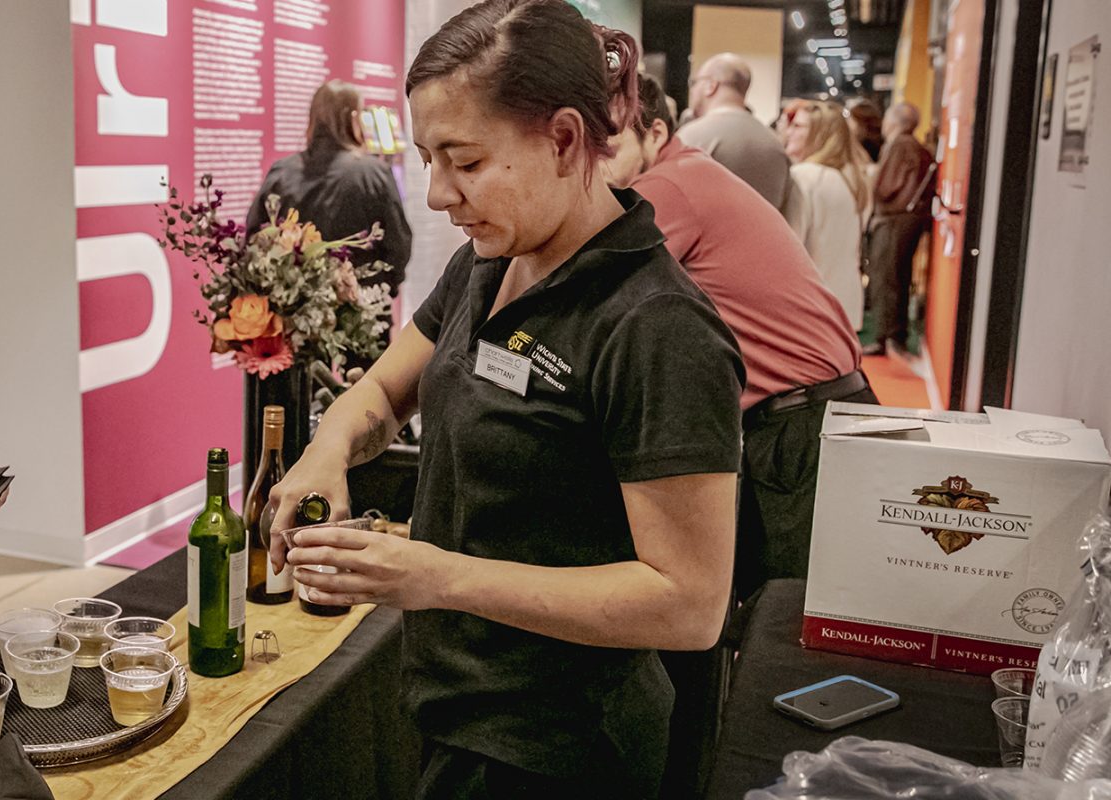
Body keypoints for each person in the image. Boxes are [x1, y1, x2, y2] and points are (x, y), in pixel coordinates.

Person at [271, 3, 744, 796]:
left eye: (463, 160)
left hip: (559, 750)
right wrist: (326, 454)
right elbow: (385, 389)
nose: (435, 195)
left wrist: (436, 576)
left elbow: (687, 603)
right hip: (456, 706)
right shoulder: (488, 265)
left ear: (563, 139)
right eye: (427, 158)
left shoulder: (657, 328)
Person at [605, 72, 869, 794]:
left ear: (654, 134)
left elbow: (586, 277)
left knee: (776, 634)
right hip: (803, 414)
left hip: (797, 423)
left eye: (606, 144)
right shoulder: (690, 174)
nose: (592, 165)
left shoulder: (669, 191)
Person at [246, 79, 412, 366]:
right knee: (363, 398)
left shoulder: (281, 173)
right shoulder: (373, 173)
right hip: (363, 311)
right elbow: (398, 245)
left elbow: (253, 240)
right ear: (353, 118)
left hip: (296, 319)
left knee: (299, 399)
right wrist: (382, 289)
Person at [783, 100, 869, 333]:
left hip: (810, 309)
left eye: (798, 126)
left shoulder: (804, 177)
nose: (789, 132)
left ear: (819, 134)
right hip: (846, 305)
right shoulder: (855, 180)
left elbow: (790, 247)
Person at [864, 102, 936, 357]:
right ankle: (893, 335)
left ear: (894, 121)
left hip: (894, 220)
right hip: (907, 220)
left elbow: (886, 187)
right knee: (896, 277)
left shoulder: (900, 145)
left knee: (887, 278)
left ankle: (887, 337)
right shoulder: (915, 146)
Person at [679, 52, 792, 209]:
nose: (692, 90)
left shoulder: (690, 137)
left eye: (694, 82)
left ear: (711, 85)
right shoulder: (774, 143)